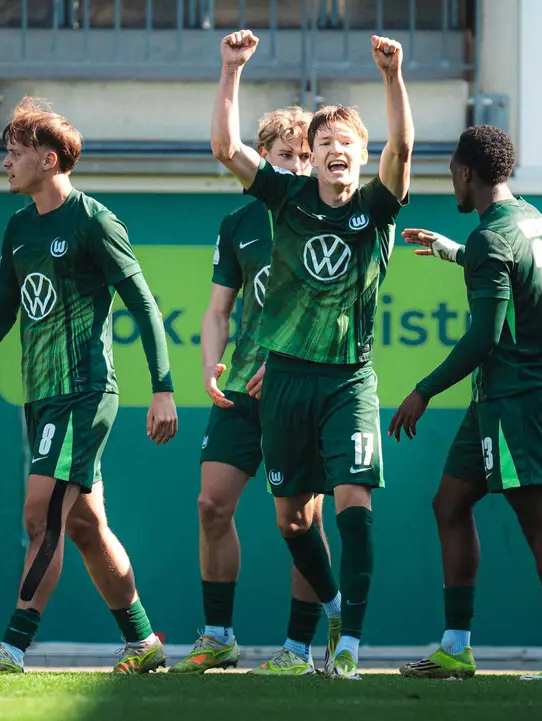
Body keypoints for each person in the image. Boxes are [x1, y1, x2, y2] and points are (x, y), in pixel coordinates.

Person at [0, 98, 178, 675]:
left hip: (83, 393)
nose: (5, 162)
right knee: (85, 526)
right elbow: (4, 305)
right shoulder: (19, 226)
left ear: (48, 160)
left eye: (14, 152)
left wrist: (163, 388)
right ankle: (144, 643)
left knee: (39, 517)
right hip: (42, 394)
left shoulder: (93, 221)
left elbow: (143, 305)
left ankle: (12, 647)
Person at [209, 29, 413, 680]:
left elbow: (403, 148)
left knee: (353, 503)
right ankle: (331, 605)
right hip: (285, 381)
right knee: (293, 522)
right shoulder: (286, 198)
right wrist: (231, 69)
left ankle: (349, 643)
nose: (332, 151)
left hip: (348, 381)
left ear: (361, 156)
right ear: (313, 156)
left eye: (344, 143)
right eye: (323, 143)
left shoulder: (377, 207)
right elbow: (226, 149)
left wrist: (392, 78)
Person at [389, 124, 542, 682]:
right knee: (449, 504)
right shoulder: (529, 218)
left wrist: (422, 390)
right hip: (497, 394)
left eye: (452, 174)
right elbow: (505, 268)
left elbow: (484, 335)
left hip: (515, 394)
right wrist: (453, 251)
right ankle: (455, 647)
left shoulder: (492, 237)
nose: (452, 184)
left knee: (539, 518)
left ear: (466, 173)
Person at [170, 106, 339, 676]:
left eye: (306, 156)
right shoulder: (239, 222)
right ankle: (218, 636)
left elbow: (334, 311)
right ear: (262, 157)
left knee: (301, 523)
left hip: (303, 389)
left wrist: (290, 365)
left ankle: (299, 648)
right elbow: (218, 310)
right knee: (211, 506)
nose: (297, 166)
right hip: (241, 390)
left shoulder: (329, 217)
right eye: (286, 156)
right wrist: (210, 366)